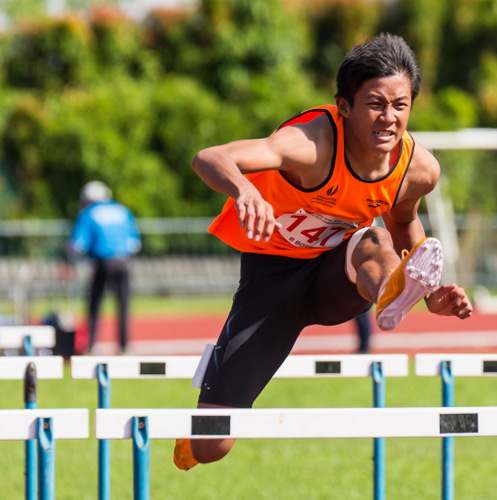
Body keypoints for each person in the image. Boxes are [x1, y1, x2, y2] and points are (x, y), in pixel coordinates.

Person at [173, 33, 473, 470]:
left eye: (400, 105)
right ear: (344, 106)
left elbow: (404, 221)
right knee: (211, 446)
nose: (389, 118)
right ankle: (201, 422)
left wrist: (431, 295)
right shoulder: (310, 145)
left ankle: (394, 290)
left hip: (339, 276)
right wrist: (245, 192)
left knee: (373, 240)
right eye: (375, 103)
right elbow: (209, 157)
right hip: (271, 281)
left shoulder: (418, 169)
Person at [66, 181, 141, 354]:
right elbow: (135, 242)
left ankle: (91, 345)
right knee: (123, 305)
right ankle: (124, 346)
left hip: (103, 262)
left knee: (94, 305)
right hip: (125, 262)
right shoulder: (122, 211)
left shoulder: (88, 213)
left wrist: (66, 250)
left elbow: (78, 245)